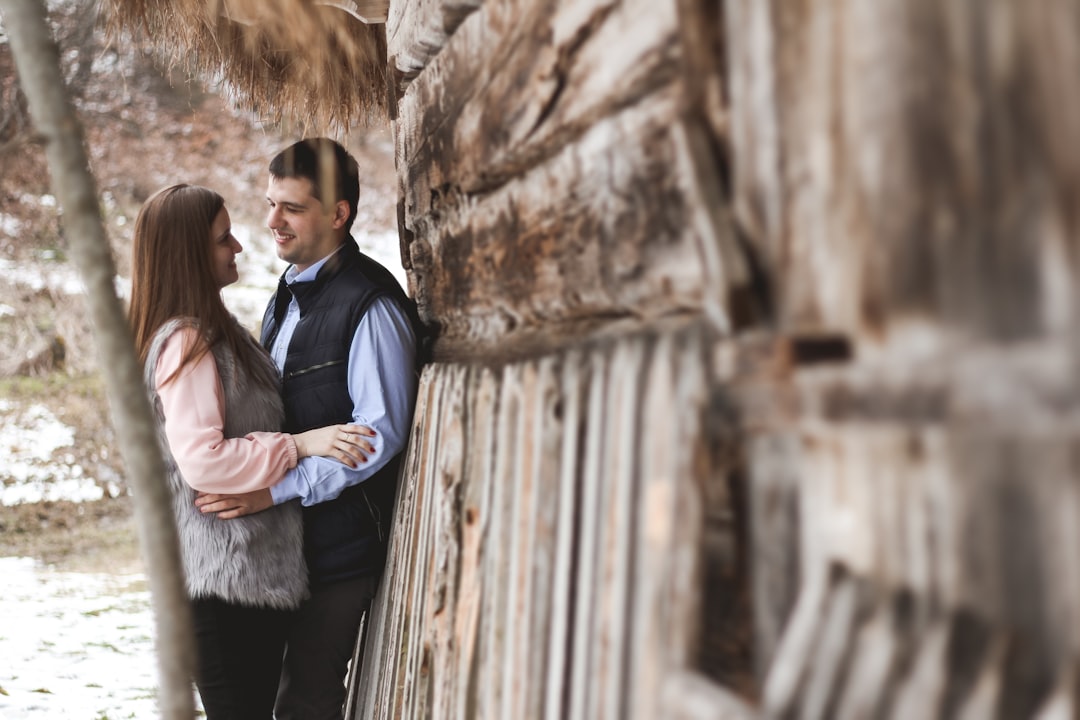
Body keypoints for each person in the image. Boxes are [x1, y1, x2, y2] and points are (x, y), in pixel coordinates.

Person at [129, 183, 376, 719]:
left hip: (249, 580)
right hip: (223, 584)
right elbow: (205, 462)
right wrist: (299, 445)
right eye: (223, 239)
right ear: (190, 254)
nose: (238, 246)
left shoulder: (219, 334)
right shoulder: (185, 343)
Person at [195, 138, 420, 719]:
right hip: (288, 546)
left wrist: (274, 490)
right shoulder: (285, 297)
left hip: (339, 550)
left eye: (290, 208)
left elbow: (376, 437)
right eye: (271, 204)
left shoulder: (369, 305)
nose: (272, 221)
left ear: (338, 213)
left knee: (306, 703)